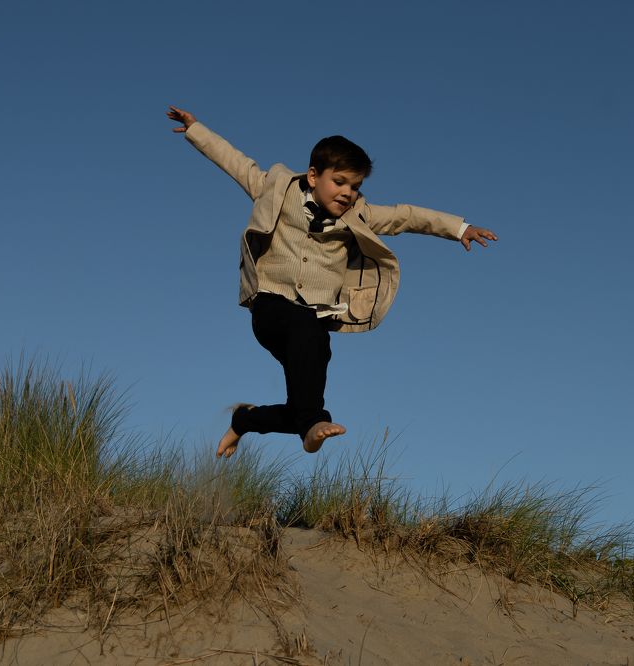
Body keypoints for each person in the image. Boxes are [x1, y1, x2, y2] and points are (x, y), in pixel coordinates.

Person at [167, 106, 498, 458]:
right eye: (339, 182)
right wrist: (195, 129)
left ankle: (247, 420)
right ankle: (313, 420)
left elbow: (407, 216)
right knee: (305, 337)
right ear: (313, 176)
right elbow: (234, 161)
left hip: (314, 317)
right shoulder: (275, 189)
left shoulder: (359, 214)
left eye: (354, 186)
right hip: (269, 307)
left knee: (305, 392)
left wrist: (460, 229)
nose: (347, 193)